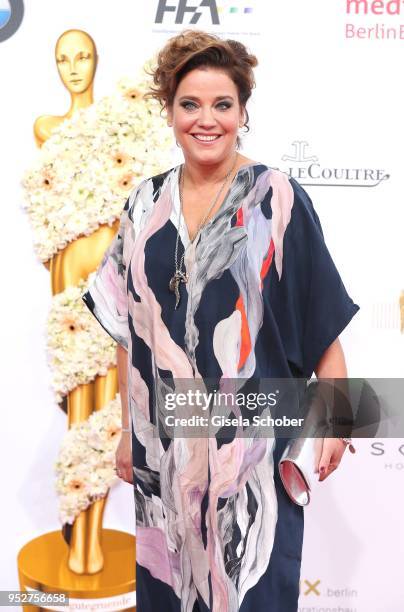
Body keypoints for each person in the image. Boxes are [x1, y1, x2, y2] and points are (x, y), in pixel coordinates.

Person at [82, 29, 359, 612]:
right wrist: (129, 435)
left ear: (242, 113)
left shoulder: (278, 199)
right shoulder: (143, 205)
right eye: (190, 104)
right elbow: (128, 325)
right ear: (170, 112)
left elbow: (322, 319)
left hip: (255, 451)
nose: (205, 120)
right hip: (166, 454)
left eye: (221, 104)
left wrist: (335, 416)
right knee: (168, 591)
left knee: (253, 588)